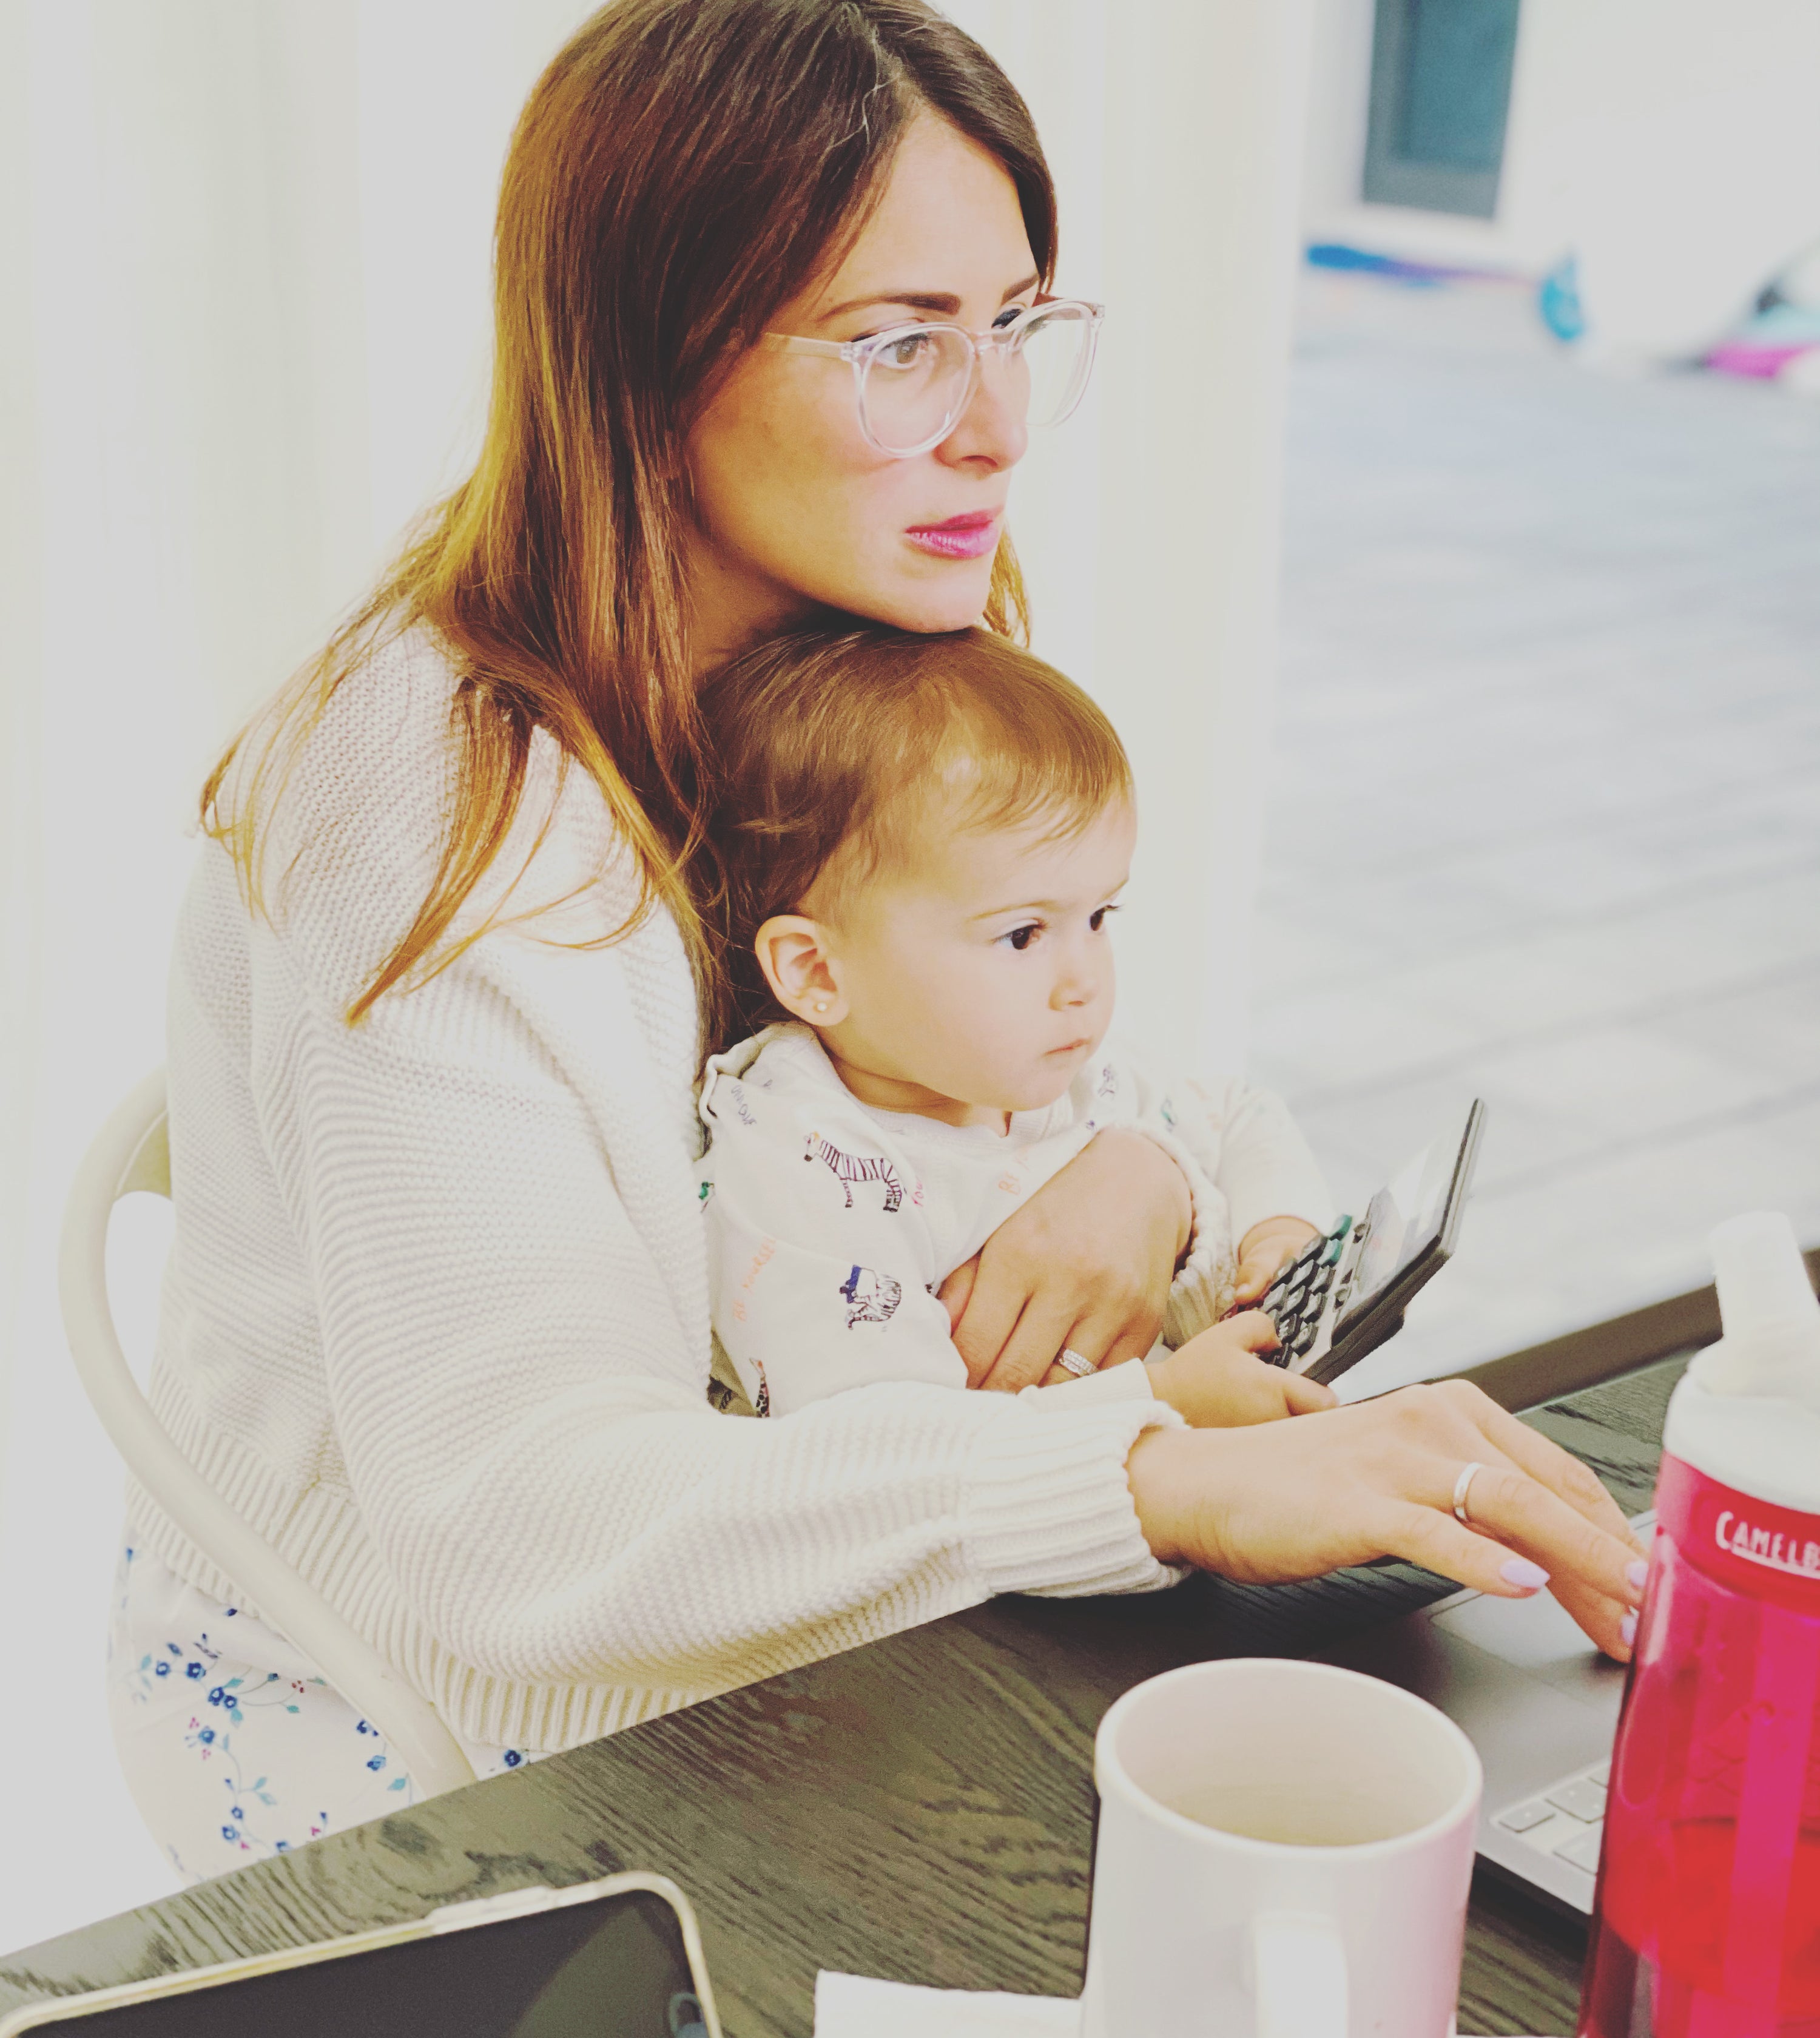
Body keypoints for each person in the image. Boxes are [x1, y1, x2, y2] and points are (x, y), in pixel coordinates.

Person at [106, 0, 1645, 1881]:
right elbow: (524, 1524)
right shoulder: (422, 805)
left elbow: (1070, 1054)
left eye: (1014, 323)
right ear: (649, 350)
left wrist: (1140, 1172)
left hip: (777, 1608)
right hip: (421, 1733)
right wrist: (1145, 1458)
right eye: (903, 343)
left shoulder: (846, 655)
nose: (993, 423)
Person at [695, 620, 1342, 1430]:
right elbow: (881, 1457)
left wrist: (1280, 1231)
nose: (1084, 981)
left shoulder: (1056, 1073)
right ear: (817, 972)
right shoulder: (799, 1170)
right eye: (1023, 934)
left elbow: (1239, 1117)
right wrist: (1160, 1401)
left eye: (1100, 916)